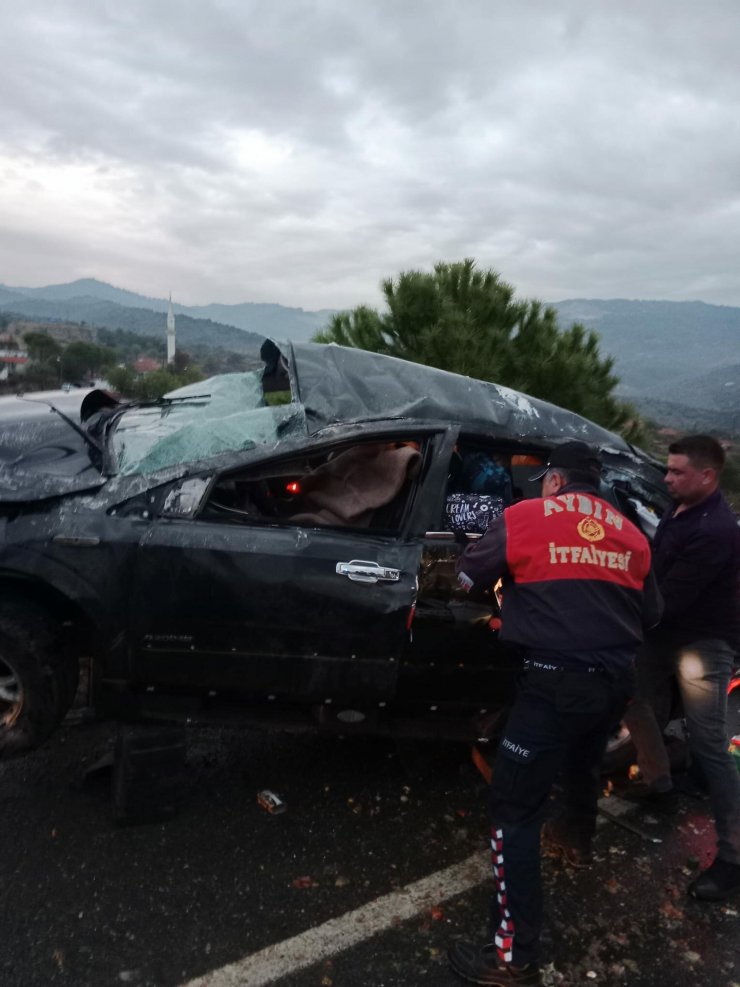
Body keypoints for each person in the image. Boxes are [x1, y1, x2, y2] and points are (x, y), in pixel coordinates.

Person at [448, 440, 660, 987]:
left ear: (556, 482)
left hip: (554, 686)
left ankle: (511, 958)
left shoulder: (526, 516)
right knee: (582, 764)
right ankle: (575, 839)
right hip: (614, 684)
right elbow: (652, 611)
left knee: (513, 812)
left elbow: (469, 579)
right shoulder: (632, 533)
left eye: (544, 479)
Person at [622, 434, 740, 901]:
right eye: (667, 470)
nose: (666, 478)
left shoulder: (715, 530)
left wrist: (609, 603)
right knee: (627, 693)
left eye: (676, 472)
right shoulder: (681, 508)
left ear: (708, 475)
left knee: (709, 742)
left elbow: (669, 600)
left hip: (703, 642)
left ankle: (732, 858)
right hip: (663, 631)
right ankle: (660, 778)